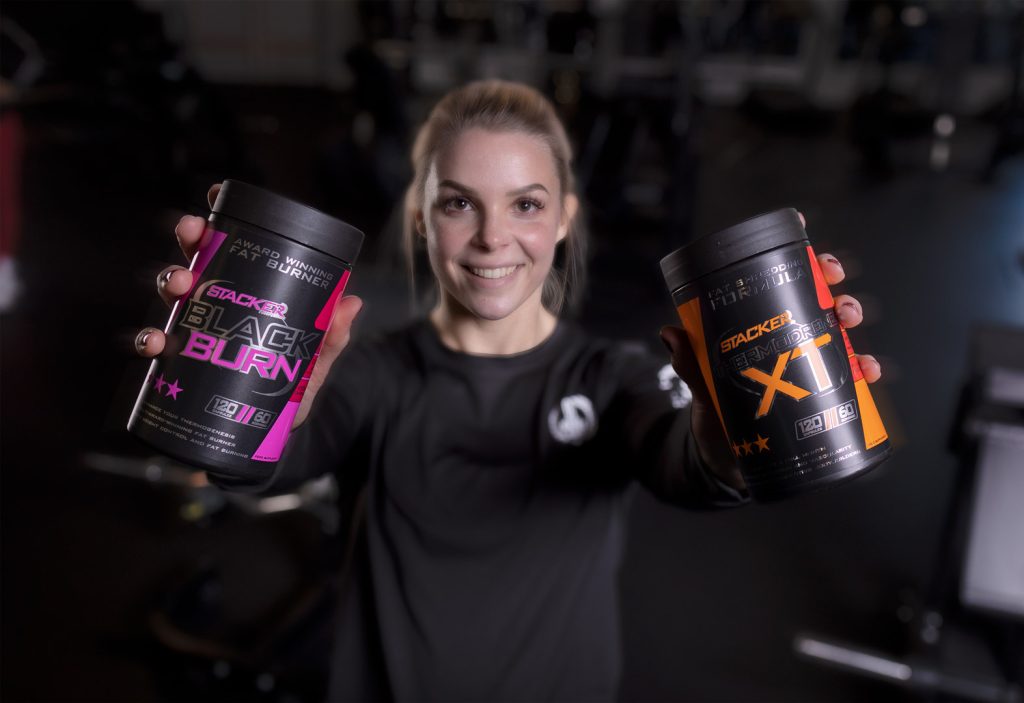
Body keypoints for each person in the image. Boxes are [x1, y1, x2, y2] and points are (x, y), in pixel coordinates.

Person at [135, 80, 882, 702]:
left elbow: (688, 467)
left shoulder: (611, 376)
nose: (493, 237)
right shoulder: (374, 372)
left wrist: (729, 431)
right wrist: (251, 409)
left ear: (562, 221)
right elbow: (270, 464)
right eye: (459, 203)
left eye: (525, 204)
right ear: (422, 221)